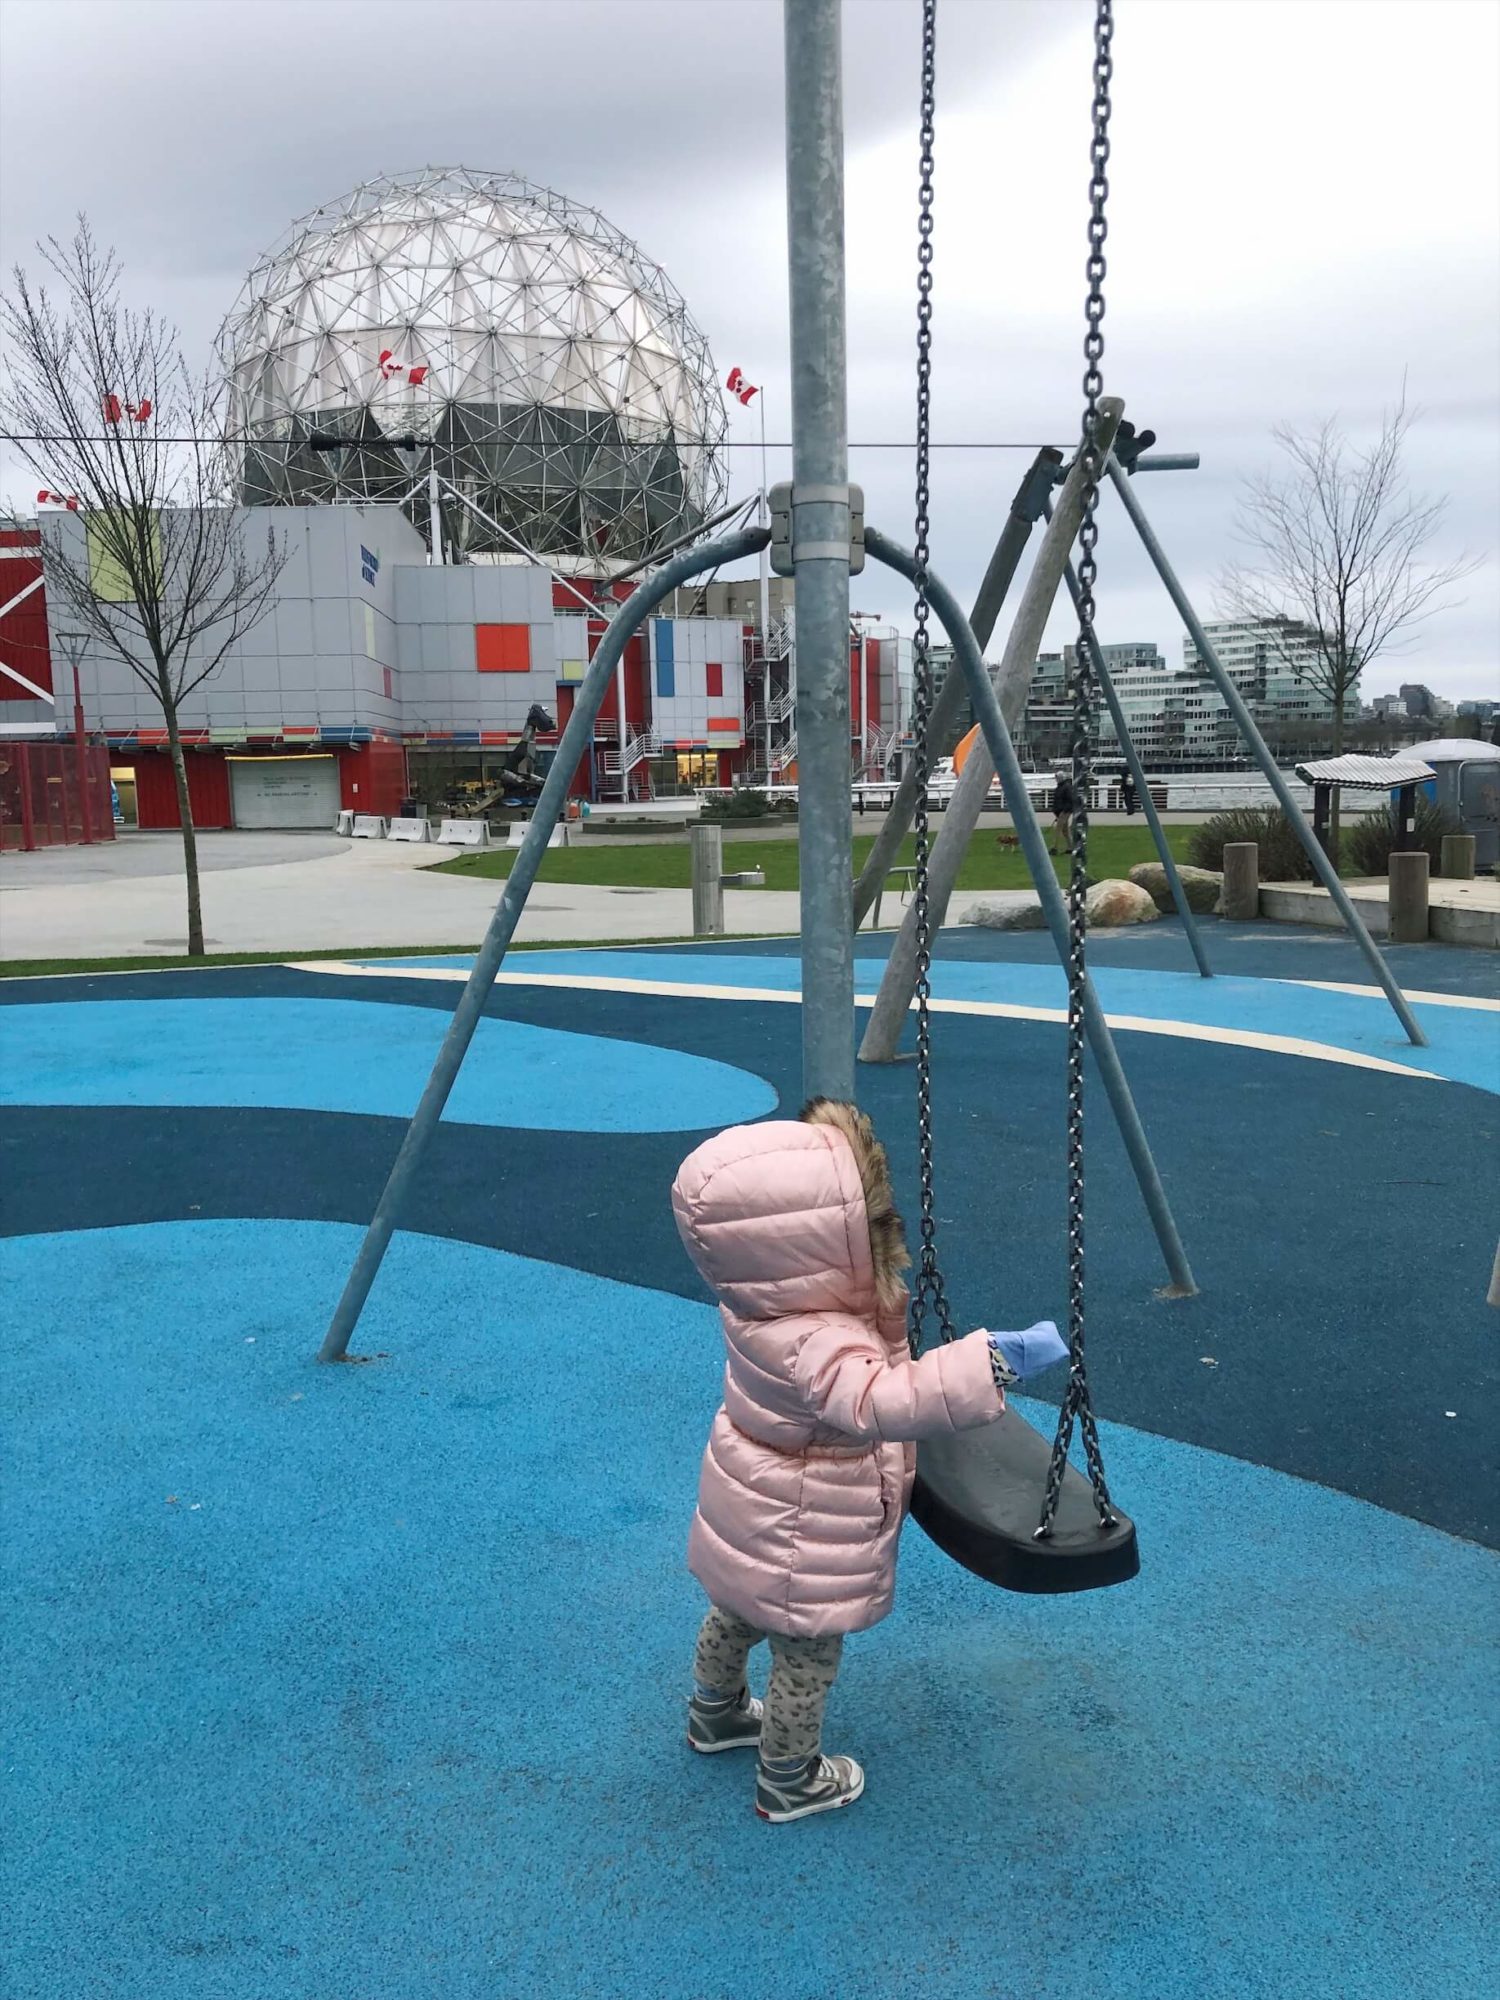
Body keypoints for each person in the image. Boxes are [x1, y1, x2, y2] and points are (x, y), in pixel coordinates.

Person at [672, 1099, 1065, 1823]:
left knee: (734, 1610)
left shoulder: (757, 1304)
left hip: (752, 1498)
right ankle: (790, 1778)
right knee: (807, 1656)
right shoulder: (819, 1339)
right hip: (804, 1519)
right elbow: (879, 1400)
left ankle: (715, 1712)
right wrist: (992, 1362)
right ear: (819, 1243)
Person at [1050, 768, 1077, 853]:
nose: (1056, 779)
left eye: (1057, 778)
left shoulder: (1067, 787)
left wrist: (1064, 811)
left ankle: (1054, 847)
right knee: (1065, 830)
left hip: (1064, 811)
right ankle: (1071, 847)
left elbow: (1070, 800)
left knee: (1058, 829)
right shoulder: (1060, 787)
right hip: (1060, 812)